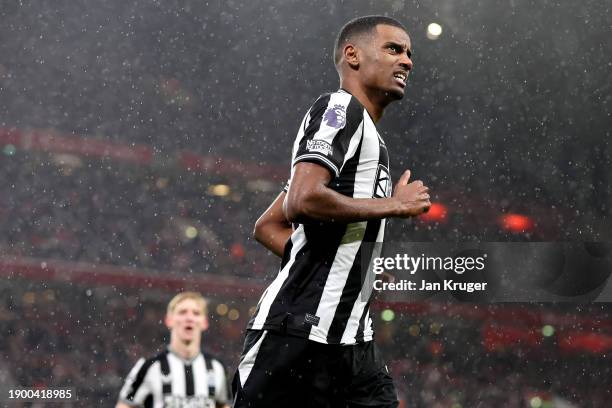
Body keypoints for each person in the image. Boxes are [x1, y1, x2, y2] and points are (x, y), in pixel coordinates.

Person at [232, 15, 431, 408]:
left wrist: (349, 267)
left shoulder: (369, 140)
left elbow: (268, 225)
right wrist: (393, 205)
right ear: (352, 55)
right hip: (298, 336)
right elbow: (302, 200)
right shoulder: (339, 109)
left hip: (355, 345)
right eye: (394, 49)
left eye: (409, 53)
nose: (407, 61)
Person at [117, 292, 231, 408]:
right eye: (182, 312)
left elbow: (223, 404)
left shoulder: (216, 368)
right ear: (169, 320)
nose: (189, 318)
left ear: (205, 322)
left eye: (196, 313)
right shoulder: (148, 366)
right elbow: (124, 405)